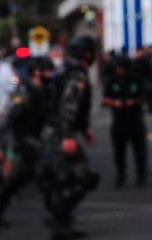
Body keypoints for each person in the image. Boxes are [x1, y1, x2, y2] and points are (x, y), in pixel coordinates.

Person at [39, 35, 99, 240]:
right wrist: (67, 136)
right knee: (83, 178)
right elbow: (68, 106)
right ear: (87, 53)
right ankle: (59, 220)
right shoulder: (77, 75)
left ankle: (60, 219)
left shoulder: (66, 70)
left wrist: (83, 130)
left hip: (53, 132)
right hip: (59, 135)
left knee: (63, 179)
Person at [0, 57, 55, 228]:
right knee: (45, 175)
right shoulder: (25, 93)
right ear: (37, 72)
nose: (51, 74)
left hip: (34, 140)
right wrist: (0, 147)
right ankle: (58, 215)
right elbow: (6, 121)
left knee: (20, 179)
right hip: (24, 141)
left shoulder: (42, 90)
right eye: (48, 71)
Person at [103, 56, 147, 188]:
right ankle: (121, 175)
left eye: (122, 68)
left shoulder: (136, 80)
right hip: (119, 122)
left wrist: (132, 102)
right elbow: (105, 99)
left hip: (135, 121)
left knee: (139, 151)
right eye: (118, 68)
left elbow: (143, 97)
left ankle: (141, 176)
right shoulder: (112, 80)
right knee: (119, 152)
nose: (119, 71)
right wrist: (114, 102)